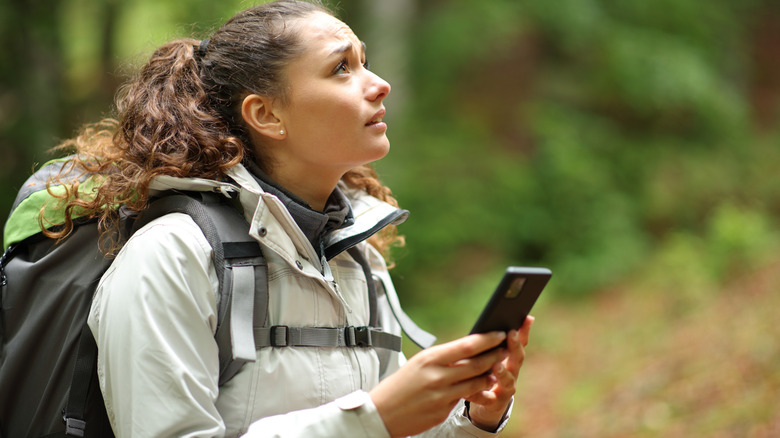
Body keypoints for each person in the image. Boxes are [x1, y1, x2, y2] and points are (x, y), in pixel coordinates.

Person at [48, 0, 534, 436]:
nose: (379, 83)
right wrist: (370, 420)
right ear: (266, 115)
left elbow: (388, 428)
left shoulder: (356, 258)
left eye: (365, 62)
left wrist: (472, 417)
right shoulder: (172, 256)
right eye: (342, 68)